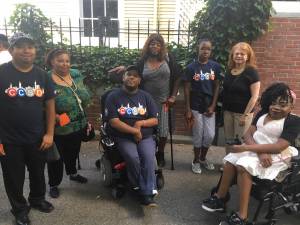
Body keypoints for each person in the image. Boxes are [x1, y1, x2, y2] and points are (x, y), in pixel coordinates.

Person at [201, 82, 300, 225]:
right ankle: (220, 198)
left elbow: (279, 147)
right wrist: (258, 152)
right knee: (230, 160)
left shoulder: (293, 121)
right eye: (273, 103)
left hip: (276, 155)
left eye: (283, 104)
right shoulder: (262, 113)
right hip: (256, 149)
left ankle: (242, 216)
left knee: (242, 165)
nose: (276, 108)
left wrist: (248, 149)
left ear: (292, 106)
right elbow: (247, 135)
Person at [0, 32, 56, 225]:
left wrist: (49, 133)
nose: (26, 50)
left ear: (35, 50)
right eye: (21, 46)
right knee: (13, 178)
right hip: (8, 139)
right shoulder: (2, 73)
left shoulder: (42, 75)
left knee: (38, 172)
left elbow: (50, 105)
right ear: (11, 50)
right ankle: (19, 209)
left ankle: (37, 199)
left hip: (37, 137)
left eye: (30, 46)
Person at [109, 33, 182, 167]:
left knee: (163, 130)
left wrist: (173, 96)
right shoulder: (143, 61)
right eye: (152, 43)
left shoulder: (168, 58)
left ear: (162, 47)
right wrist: (125, 68)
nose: (155, 46)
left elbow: (178, 76)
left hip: (164, 101)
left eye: (158, 44)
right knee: (145, 126)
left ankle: (160, 152)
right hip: (145, 100)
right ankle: (147, 151)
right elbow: (134, 72)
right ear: (148, 46)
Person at [105, 65, 159, 206]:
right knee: (133, 157)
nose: (131, 77)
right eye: (128, 74)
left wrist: (140, 124)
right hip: (123, 136)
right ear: (123, 77)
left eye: (135, 76)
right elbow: (114, 122)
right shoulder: (113, 96)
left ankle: (146, 192)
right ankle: (141, 187)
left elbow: (155, 119)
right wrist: (134, 131)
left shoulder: (146, 96)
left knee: (147, 157)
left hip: (145, 136)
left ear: (139, 80)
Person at [45, 49, 91, 199]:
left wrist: (87, 120)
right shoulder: (46, 79)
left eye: (67, 61)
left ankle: (72, 173)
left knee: (73, 151)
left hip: (78, 124)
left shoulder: (76, 74)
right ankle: (54, 184)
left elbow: (82, 98)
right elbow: (39, 103)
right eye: (60, 60)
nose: (64, 64)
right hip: (59, 127)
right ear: (52, 61)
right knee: (56, 158)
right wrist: (55, 116)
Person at [183, 39, 221, 174]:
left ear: (211, 51)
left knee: (210, 135)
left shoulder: (215, 67)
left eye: (208, 49)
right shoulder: (190, 68)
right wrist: (187, 109)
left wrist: (213, 105)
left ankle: (203, 158)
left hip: (209, 105)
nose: (205, 51)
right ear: (198, 49)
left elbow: (217, 86)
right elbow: (187, 89)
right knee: (198, 135)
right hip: (195, 104)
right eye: (203, 48)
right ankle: (196, 161)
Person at [222, 42, 260, 152]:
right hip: (228, 112)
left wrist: (245, 115)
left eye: (242, 54)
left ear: (247, 57)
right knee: (229, 140)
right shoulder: (229, 70)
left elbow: (254, 96)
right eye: (236, 53)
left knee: (239, 141)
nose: (239, 56)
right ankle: (228, 163)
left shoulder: (252, 72)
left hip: (243, 114)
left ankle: (238, 165)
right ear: (232, 56)